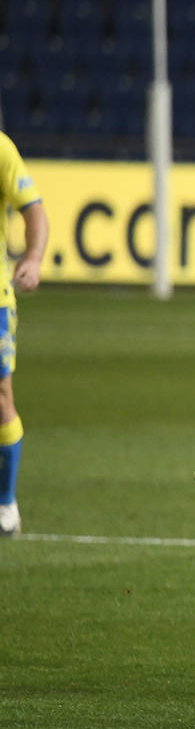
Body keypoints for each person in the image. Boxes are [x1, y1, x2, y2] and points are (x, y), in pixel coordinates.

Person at [0, 132, 48, 538]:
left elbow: (34, 209)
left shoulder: (1, 149)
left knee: (1, 398)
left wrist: (33, 257)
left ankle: (6, 505)